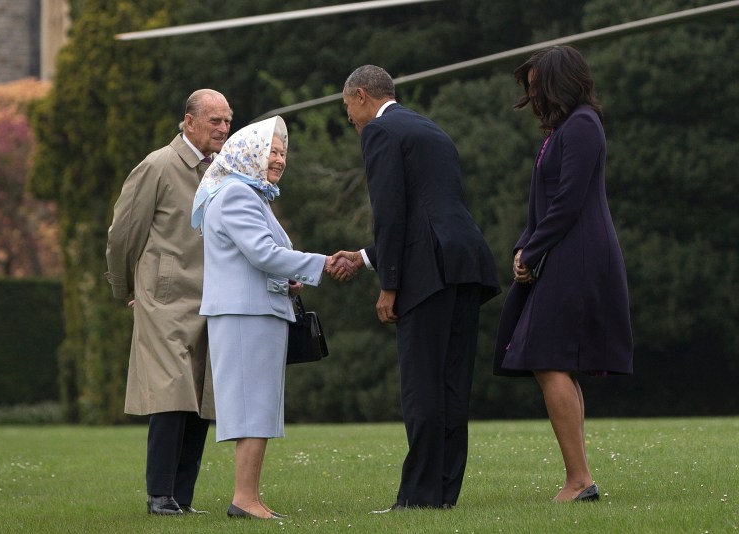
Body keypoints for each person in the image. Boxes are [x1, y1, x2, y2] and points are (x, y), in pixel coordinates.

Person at [334, 65, 500, 511]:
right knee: (451, 384)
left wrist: (389, 285)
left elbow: (392, 213)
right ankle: (444, 492)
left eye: (347, 105)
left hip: (428, 273)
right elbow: (427, 210)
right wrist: (367, 256)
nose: (348, 116)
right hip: (465, 263)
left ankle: (419, 498)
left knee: (422, 386)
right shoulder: (431, 130)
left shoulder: (381, 132)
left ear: (363, 96)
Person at [493, 45, 633, 502]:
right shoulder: (563, 131)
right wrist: (523, 246)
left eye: (537, 88)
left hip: (578, 257)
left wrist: (532, 251)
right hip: (561, 253)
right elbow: (545, 203)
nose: (533, 97)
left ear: (560, 84)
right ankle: (580, 478)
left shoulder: (583, 127)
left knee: (548, 357)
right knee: (551, 360)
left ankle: (579, 480)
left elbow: (569, 201)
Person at [191, 115, 350, 520]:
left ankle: (250, 498)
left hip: (255, 311)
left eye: (283, 152)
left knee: (258, 406)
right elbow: (263, 253)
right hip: (246, 315)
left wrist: (290, 278)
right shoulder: (237, 196)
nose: (278, 159)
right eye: (272, 151)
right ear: (250, 153)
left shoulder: (249, 195)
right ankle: (244, 500)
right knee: (251, 407)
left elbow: (253, 260)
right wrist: (319, 264)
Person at [105, 89, 233, 515]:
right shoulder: (157, 165)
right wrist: (126, 289)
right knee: (170, 396)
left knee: (200, 399)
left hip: (210, 298)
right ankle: (159, 497)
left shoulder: (222, 171)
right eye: (214, 120)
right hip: (164, 300)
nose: (223, 128)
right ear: (189, 121)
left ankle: (182, 498)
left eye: (227, 121)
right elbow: (123, 234)